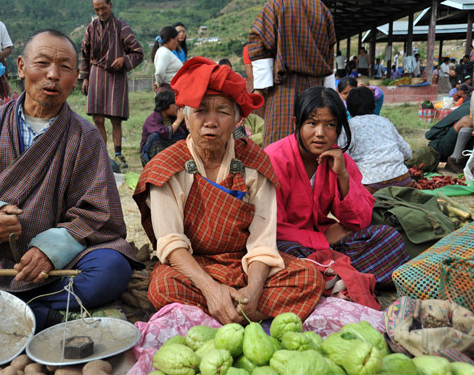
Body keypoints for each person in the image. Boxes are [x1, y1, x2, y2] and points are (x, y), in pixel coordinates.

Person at [0, 30, 140, 331]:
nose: (53, 75)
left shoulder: (85, 136)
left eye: (64, 68)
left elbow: (98, 212)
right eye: (43, 63)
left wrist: (51, 249)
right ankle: (42, 316)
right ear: (21, 67)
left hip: (64, 264)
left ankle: (11, 314)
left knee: (111, 269)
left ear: (75, 78)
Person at [133, 57, 324, 324]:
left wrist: (254, 292)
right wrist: (211, 290)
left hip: (244, 264)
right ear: (186, 117)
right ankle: (242, 314)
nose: (211, 121)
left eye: (222, 111)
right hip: (194, 267)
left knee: (309, 278)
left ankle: (224, 314)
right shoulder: (166, 167)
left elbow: (262, 243)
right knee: (163, 286)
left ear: (237, 119)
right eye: (200, 110)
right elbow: (171, 244)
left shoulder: (255, 163)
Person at [264, 86, 409, 286]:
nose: (320, 133)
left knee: (388, 237)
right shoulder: (275, 159)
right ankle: (338, 277)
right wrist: (322, 239)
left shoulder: (340, 159)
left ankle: (328, 278)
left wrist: (342, 176)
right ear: (296, 124)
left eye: (330, 125)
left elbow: (360, 221)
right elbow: (270, 227)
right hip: (289, 244)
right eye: (312, 123)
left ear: (339, 128)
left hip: (325, 247)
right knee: (279, 254)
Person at [248, 0, 336, 146]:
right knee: (313, 145)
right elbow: (329, 57)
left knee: (279, 147)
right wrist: (329, 93)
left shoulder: (275, 5)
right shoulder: (322, 10)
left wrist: (260, 88)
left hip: (283, 91)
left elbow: (259, 47)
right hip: (316, 91)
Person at [80, 0, 144, 172]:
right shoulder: (91, 28)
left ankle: (118, 154)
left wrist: (124, 60)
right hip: (96, 75)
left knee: (116, 118)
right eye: (96, 9)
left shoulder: (122, 27)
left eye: (103, 8)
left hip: (116, 76)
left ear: (111, 5)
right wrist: (84, 77)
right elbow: (84, 54)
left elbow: (138, 52)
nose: (100, 12)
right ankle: (103, 154)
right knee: (97, 117)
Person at [338, 87, 412, 193]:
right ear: (373, 106)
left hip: (372, 185)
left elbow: (343, 160)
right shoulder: (385, 122)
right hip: (404, 180)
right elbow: (407, 153)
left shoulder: (347, 127)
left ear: (348, 108)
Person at [140, 90, 188, 166]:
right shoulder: (153, 119)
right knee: (156, 136)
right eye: (175, 105)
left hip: (168, 153)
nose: (177, 108)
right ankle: (157, 165)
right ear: (167, 105)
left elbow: (184, 133)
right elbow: (166, 133)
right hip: (150, 155)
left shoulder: (172, 118)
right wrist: (178, 120)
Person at [426, 98, 473, 173]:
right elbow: (466, 121)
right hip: (441, 147)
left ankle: (463, 160)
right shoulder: (470, 107)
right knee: (469, 121)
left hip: (461, 149)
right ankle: (454, 159)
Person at [151, 26, 183, 93]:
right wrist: (159, 84)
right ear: (171, 39)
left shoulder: (166, 52)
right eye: (176, 40)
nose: (177, 43)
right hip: (169, 92)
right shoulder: (164, 52)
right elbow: (159, 72)